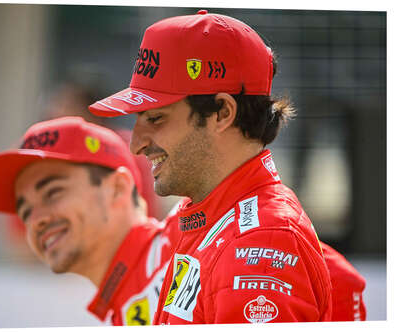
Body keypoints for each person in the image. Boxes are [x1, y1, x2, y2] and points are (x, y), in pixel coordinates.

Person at [89, 10, 358, 324]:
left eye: (156, 118)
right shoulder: (211, 218)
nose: (137, 144)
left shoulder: (258, 245)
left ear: (221, 113)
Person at [0, 116, 178, 325]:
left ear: (117, 189)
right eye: (25, 212)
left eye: (53, 193)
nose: (35, 221)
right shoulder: (125, 302)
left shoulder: (184, 254)